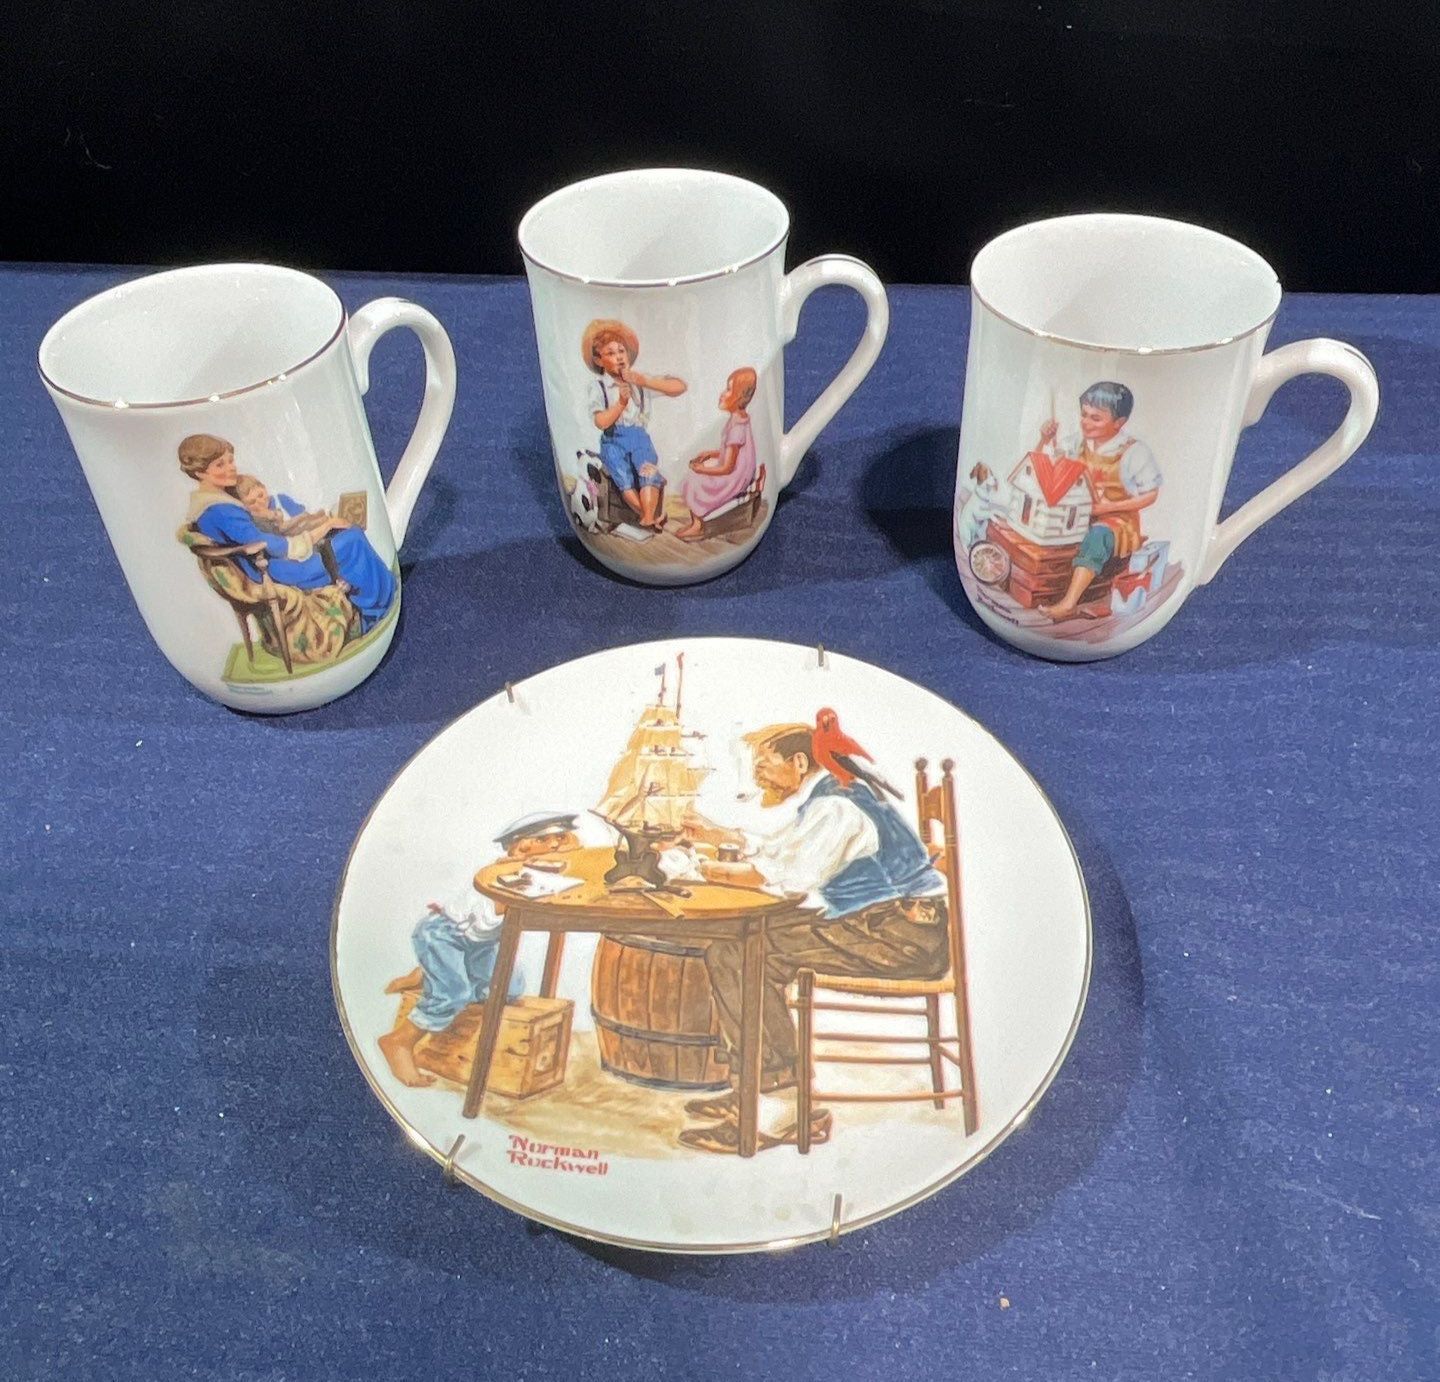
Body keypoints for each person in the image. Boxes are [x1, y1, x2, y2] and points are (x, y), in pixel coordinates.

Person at [680, 722, 949, 1154]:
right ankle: (755, 1089)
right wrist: (720, 837)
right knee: (740, 944)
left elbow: (787, 877)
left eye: (765, 763)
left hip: (899, 937)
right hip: (891, 927)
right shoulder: (832, 798)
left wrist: (697, 869)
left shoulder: (836, 807)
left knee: (739, 953)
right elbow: (783, 851)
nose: (757, 773)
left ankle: (780, 1112)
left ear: (799, 762)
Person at [378, 813, 582, 1088]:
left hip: (478, 943)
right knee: (454, 993)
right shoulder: (504, 875)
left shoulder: (541, 871)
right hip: (443, 934)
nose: (555, 844)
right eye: (543, 839)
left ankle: (432, 974)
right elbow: (494, 915)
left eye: (560, 837)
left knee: (510, 988)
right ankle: (399, 1042)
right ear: (519, 845)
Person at [178, 434, 396, 632]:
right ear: (199, 472)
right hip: (276, 570)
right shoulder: (220, 510)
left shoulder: (214, 503)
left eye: (230, 461)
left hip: (269, 563)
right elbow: (268, 544)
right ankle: (376, 609)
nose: (231, 468)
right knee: (352, 539)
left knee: (342, 537)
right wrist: (322, 528)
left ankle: (372, 600)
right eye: (220, 464)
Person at [1035, 382, 1162, 620]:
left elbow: (1150, 494)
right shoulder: (1076, 443)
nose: (1086, 422)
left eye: (1096, 418)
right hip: (1078, 514)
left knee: (1097, 536)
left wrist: (1106, 508)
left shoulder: (1134, 452)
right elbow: (1045, 470)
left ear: (1119, 422)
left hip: (1117, 522)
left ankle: (1068, 604)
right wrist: (1044, 440)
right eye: (1084, 415)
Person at [583, 319, 687, 531]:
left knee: (647, 469)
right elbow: (601, 422)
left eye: (622, 351)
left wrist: (645, 381)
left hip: (639, 438)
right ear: (599, 360)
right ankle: (648, 516)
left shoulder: (639, 382)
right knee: (623, 476)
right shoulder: (599, 387)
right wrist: (620, 404)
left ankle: (649, 516)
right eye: (610, 353)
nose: (619, 356)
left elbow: (679, 387)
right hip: (613, 440)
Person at [675, 366, 761, 541]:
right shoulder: (738, 419)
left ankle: (698, 525)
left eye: (729, 390)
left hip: (735, 477)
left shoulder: (736, 428)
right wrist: (710, 454)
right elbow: (731, 453)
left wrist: (701, 470)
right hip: (739, 471)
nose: (722, 394)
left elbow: (727, 467)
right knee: (698, 473)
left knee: (694, 480)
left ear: (739, 396)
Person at [234, 473, 328, 537]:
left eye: (260, 495)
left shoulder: (280, 500)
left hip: (310, 532)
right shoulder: (254, 519)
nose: (260, 502)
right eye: (252, 502)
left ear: (264, 488)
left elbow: (301, 514)